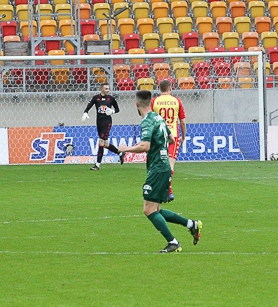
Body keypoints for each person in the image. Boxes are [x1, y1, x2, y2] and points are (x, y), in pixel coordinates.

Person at [117, 90, 202, 253]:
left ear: (137, 104)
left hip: (157, 169)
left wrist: (125, 149)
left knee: (148, 210)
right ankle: (192, 224)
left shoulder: (147, 121)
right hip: (164, 167)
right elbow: (171, 139)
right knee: (156, 209)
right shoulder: (158, 118)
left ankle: (173, 242)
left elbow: (145, 146)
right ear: (151, 103)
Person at [153, 78, 186, 201]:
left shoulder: (154, 101)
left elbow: (149, 119)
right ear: (170, 88)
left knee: (159, 163)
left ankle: (159, 190)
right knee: (170, 164)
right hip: (173, 135)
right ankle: (169, 191)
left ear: (159, 88)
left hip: (158, 136)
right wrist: (183, 136)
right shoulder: (177, 101)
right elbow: (182, 121)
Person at [82, 83, 122, 170]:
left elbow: (117, 109)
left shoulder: (111, 98)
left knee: (101, 142)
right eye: (106, 89)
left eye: (108, 88)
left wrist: (112, 111)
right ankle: (120, 153)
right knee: (105, 144)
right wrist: (85, 112)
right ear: (101, 89)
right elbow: (89, 106)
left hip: (107, 123)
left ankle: (97, 165)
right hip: (99, 122)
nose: (108, 90)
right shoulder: (96, 98)